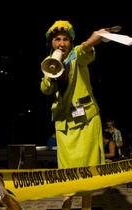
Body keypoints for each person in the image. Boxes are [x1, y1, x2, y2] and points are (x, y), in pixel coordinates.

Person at [40, 20, 108, 210]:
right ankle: (66, 204)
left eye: (65, 39)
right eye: (57, 40)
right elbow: (45, 90)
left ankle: (87, 206)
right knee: (66, 169)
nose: (61, 43)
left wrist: (92, 40)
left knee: (88, 168)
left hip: (86, 120)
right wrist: (52, 71)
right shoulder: (49, 63)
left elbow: (85, 52)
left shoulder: (76, 55)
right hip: (64, 124)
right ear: (51, 43)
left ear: (70, 42)